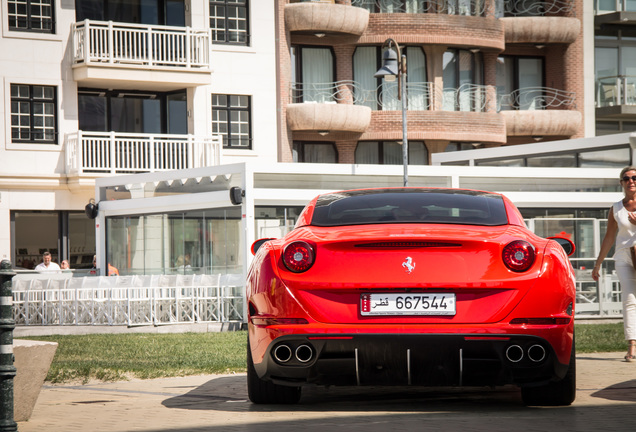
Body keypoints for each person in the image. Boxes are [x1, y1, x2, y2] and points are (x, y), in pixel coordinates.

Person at [592, 166, 636, 362]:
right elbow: (609, 238)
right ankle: (632, 345)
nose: (631, 181)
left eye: (634, 177)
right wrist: (597, 264)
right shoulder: (616, 208)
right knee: (629, 299)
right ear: (621, 183)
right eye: (626, 178)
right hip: (623, 256)